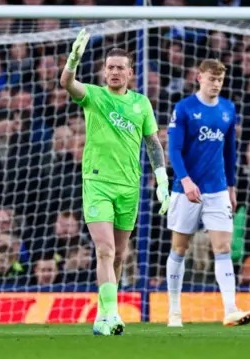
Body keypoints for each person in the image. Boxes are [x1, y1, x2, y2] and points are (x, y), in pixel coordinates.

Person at [59, 29, 170, 336]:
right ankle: (113, 312)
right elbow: (67, 84)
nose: (115, 72)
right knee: (105, 249)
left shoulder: (141, 104)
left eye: (121, 67)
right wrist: (73, 59)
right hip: (97, 183)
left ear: (130, 73)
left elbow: (153, 143)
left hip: (129, 186)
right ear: (104, 71)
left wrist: (162, 180)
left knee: (120, 255)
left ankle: (102, 316)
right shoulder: (94, 96)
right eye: (110, 67)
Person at [164, 59, 250, 328]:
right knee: (180, 248)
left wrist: (232, 186)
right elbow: (174, 150)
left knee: (223, 247)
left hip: (217, 190)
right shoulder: (184, 108)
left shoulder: (228, 109)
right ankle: (174, 311)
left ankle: (230, 309)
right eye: (211, 79)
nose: (215, 84)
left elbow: (230, 151)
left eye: (220, 80)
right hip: (185, 191)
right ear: (199, 77)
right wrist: (186, 180)